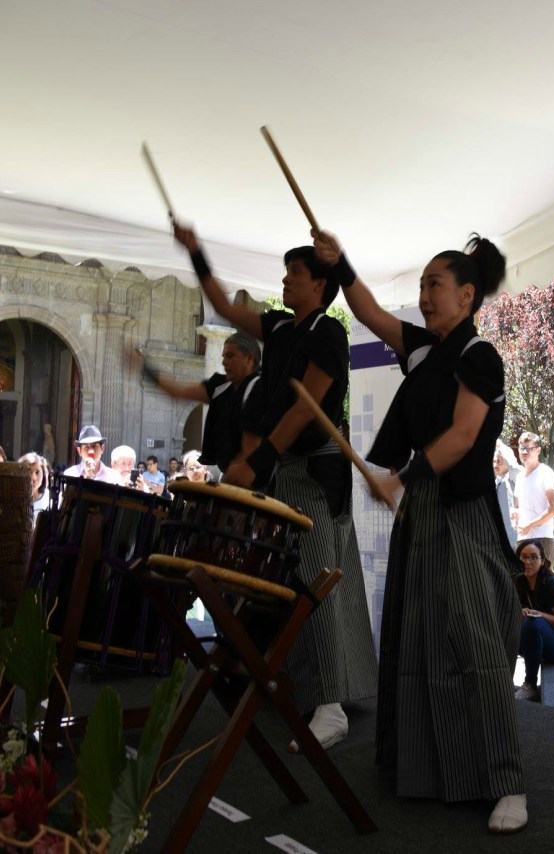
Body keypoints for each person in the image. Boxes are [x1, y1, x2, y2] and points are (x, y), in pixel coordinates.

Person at [317, 228, 527, 834]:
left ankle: (507, 783)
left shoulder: (478, 356)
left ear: (467, 295)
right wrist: (341, 263)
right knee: (418, 639)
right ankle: (433, 772)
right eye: (421, 286)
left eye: (434, 285)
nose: (424, 296)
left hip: (464, 518)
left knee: (478, 647)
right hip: (423, 519)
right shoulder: (420, 351)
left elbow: (463, 436)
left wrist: (402, 478)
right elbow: (367, 310)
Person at [174, 221, 376, 752]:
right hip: (287, 469)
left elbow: (306, 406)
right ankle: (318, 687)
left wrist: (255, 460)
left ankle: (331, 707)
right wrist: (197, 252)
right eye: (285, 272)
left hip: (316, 469)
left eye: (295, 273)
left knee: (317, 580)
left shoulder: (328, 334)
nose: (285, 281)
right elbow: (223, 305)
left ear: (320, 286)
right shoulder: (283, 329)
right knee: (300, 581)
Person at [137, 331, 262, 474]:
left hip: (252, 479)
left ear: (249, 358)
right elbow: (178, 391)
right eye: (223, 356)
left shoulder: (260, 389)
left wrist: (233, 478)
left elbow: (252, 448)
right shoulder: (219, 386)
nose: (223, 362)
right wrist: (142, 367)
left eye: (230, 356)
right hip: (229, 474)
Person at [513, 540, 554, 702]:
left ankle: (530, 684)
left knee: (533, 623)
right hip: (532, 641)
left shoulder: (551, 584)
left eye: (534, 557)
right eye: (524, 557)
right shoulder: (516, 582)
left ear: (542, 561)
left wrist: (538, 614)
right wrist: (518, 611)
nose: (528, 562)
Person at [513, 431, 554, 566]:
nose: (524, 452)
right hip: (522, 539)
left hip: (542, 539)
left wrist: (530, 525)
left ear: (538, 450)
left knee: (544, 585)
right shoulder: (520, 476)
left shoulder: (546, 473)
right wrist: (515, 515)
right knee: (521, 585)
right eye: (522, 448)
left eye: (529, 448)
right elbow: (518, 507)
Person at [494, 440, 521, 548]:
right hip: (499, 541)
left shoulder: (515, 477)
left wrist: (499, 444)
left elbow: (513, 466)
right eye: (494, 461)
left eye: (499, 461)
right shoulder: (497, 481)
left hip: (514, 541)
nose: (495, 465)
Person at [18, 452, 50, 517]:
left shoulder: (51, 498)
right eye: (28, 472)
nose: (33, 478)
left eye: (37, 472)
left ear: (43, 473)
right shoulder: (15, 499)